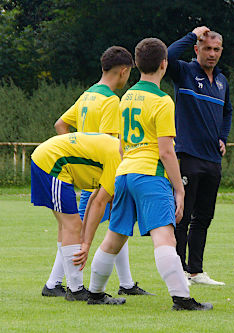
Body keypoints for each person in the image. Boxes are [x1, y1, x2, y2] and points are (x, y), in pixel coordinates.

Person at [83, 38, 212, 310]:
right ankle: (182, 298)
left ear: (137, 65)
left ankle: (94, 293)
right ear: (164, 64)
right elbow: (166, 151)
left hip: (124, 172)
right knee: (166, 236)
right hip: (149, 174)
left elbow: (120, 145)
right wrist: (179, 188)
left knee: (115, 235)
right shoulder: (162, 101)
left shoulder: (126, 97)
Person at [49, 46, 152, 297]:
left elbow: (61, 124)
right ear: (125, 71)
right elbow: (108, 143)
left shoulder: (87, 96)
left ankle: (126, 283)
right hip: (100, 176)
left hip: (89, 175)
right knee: (82, 230)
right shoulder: (110, 100)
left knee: (117, 222)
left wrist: (76, 153)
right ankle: (53, 283)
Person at [167, 26, 232, 286]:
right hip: (188, 155)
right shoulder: (184, 72)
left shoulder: (222, 81)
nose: (212, 54)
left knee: (204, 217)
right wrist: (192, 34)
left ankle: (196, 270)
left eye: (216, 49)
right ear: (197, 49)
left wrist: (223, 138)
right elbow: (167, 56)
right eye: (207, 48)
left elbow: (227, 112)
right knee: (183, 215)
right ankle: (179, 270)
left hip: (212, 159)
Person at [31, 133, 126, 302]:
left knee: (67, 226)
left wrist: (85, 238)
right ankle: (75, 290)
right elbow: (100, 203)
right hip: (52, 162)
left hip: (48, 157)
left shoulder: (116, 151)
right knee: (73, 226)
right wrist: (86, 244)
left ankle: (54, 285)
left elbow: (94, 198)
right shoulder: (118, 159)